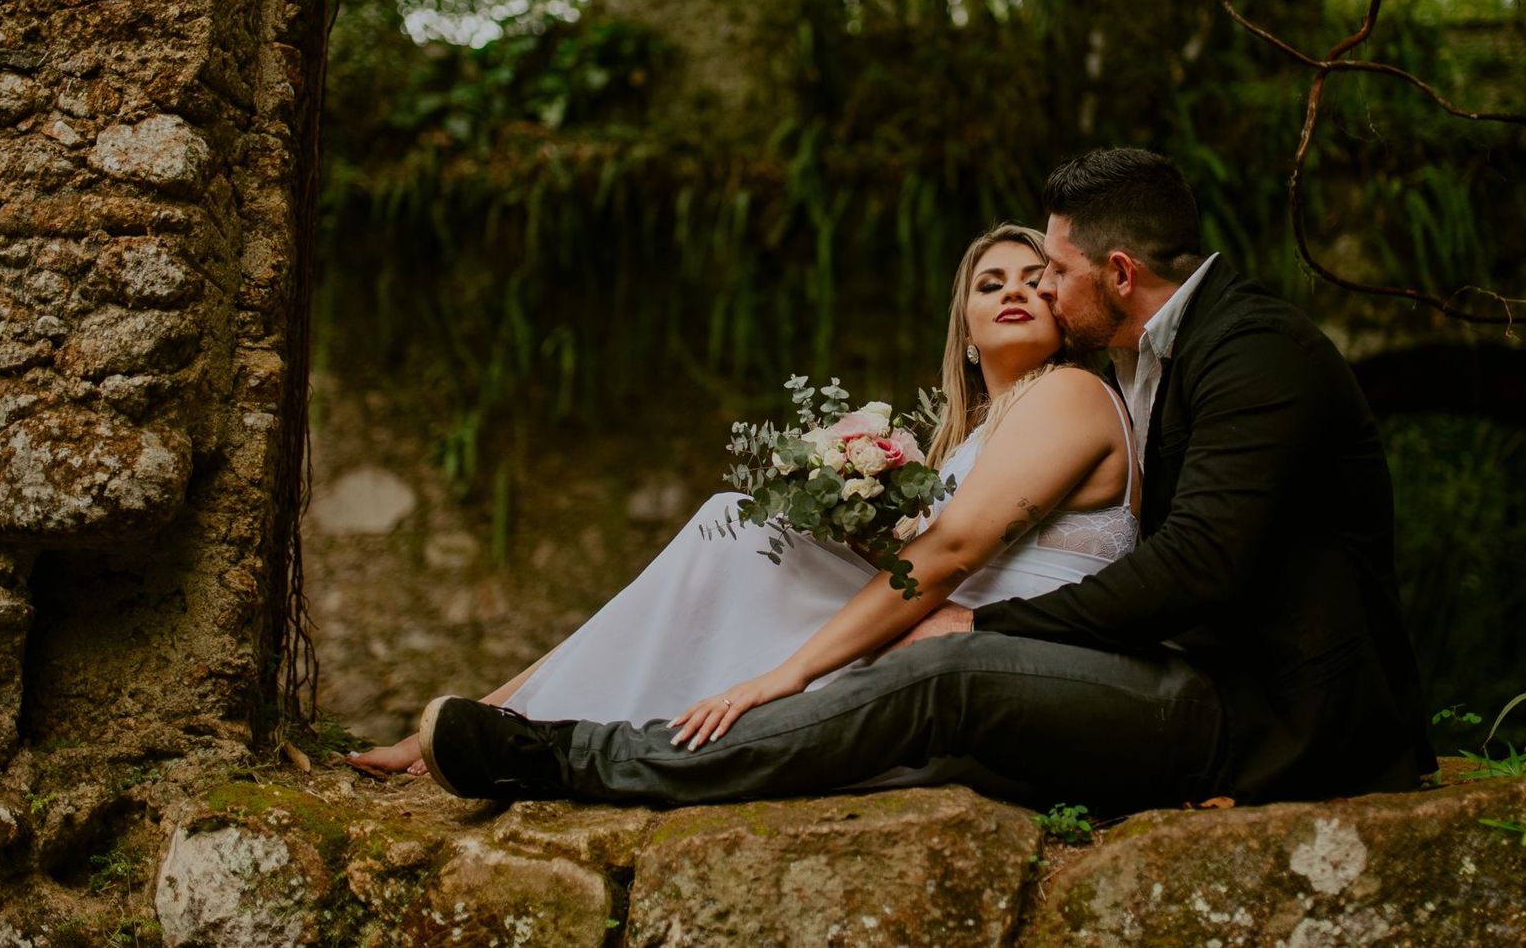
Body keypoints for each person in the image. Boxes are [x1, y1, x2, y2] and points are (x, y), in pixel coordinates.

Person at [416, 148, 1434, 811]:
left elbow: (1201, 564)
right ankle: (544, 710)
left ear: (1118, 272)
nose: (1043, 286)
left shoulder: (1254, 350)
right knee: (777, 555)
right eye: (1008, 277)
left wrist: (988, 627)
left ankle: (583, 759)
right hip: (1181, 677)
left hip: (1265, 724)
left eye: (1054, 270)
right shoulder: (1160, 362)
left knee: (940, 672)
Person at [348, 222, 1140, 782]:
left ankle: (530, 728)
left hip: (1020, 669)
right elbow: (932, 563)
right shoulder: (967, 441)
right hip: (941, 637)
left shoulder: (1069, 392)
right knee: (732, 532)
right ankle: (500, 713)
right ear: (964, 331)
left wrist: (783, 677)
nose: (1014, 293)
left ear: (1065, 314)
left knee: (733, 537)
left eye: (1036, 283)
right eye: (990, 283)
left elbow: (954, 557)